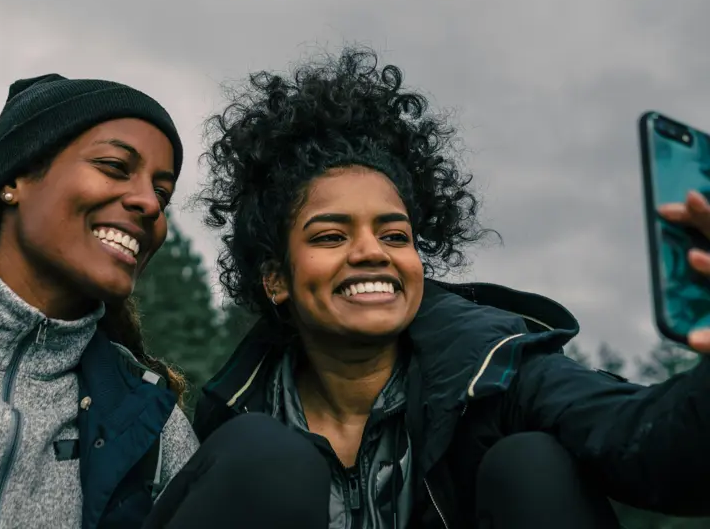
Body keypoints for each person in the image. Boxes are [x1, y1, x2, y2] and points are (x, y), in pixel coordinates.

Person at [165, 48, 710, 528]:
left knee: (530, 465)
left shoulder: (498, 374)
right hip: (253, 451)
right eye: (331, 235)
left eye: (394, 234)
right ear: (276, 280)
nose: (370, 251)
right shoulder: (231, 418)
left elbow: (651, 446)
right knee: (259, 456)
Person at [0, 75, 201, 528]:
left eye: (162, 192)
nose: (150, 204)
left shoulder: (155, 432)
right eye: (114, 166)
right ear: (16, 181)